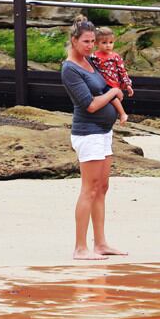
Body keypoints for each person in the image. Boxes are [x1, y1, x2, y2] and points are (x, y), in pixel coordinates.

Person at [61, 19, 128, 260]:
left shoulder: (89, 62)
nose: (90, 46)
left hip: (103, 132)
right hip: (87, 133)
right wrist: (113, 92)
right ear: (74, 41)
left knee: (102, 188)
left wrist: (119, 103)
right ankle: (80, 247)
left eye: (92, 41)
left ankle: (100, 243)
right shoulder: (70, 69)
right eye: (86, 41)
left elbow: (105, 84)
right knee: (89, 189)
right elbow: (90, 104)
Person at [89, 26, 134, 126]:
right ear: (96, 43)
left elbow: (122, 71)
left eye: (111, 42)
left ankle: (122, 114)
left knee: (112, 98)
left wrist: (128, 85)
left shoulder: (115, 57)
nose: (108, 45)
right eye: (104, 43)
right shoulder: (94, 56)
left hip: (112, 84)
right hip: (99, 83)